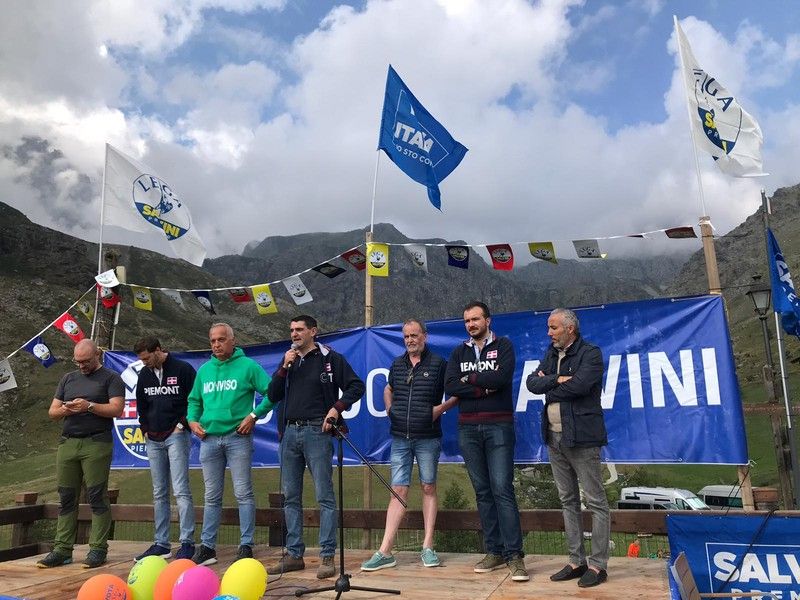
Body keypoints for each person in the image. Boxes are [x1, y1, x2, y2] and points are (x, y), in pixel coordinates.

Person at [266, 315, 365, 580]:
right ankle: (294, 554)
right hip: (289, 432)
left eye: (299, 329)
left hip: (317, 432)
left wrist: (336, 408)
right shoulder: (289, 360)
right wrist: (283, 368)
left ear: (313, 331)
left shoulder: (330, 359)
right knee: (290, 496)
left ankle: (327, 555)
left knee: (324, 496)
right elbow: (273, 394)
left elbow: (357, 386)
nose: (294, 334)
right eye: (291, 330)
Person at [361, 319, 458, 572]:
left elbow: (456, 392)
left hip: (428, 437)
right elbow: (388, 389)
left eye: (414, 335)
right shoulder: (397, 364)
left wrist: (437, 411)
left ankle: (428, 547)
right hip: (399, 438)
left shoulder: (439, 363)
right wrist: (389, 409)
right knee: (398, 490)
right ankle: (385, 551)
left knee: (428, 486)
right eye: (406, 336)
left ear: (425, 336)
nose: (410, 340)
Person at [444, 301, 528, 582]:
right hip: (467, 428)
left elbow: (501, 378)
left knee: (502, 488)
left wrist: (469, 380)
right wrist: (482, 387)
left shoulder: (504, 346)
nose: (471, 324)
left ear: (488, 321)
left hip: (499, 426)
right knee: (482, 491)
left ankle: (514, 556)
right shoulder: (458, 351)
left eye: (475, 319)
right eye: (467, 321)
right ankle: (494, 551)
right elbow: (451, 385)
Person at [526, 307, 610, 588]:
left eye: (554, 328)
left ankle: (598, 565)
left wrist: (549, 384)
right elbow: (532, 383)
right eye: (548, 328)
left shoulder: (590, 353)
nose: (549, 333)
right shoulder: (551, 353)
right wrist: (556, 379)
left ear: (570, 329)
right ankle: (576, 561)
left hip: (583, 438)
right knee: (568, 500)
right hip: (553, 437)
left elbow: (580, 387)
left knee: (596, 502)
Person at [187, 323, 274, 566]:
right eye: (213, 340)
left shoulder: (248, 366)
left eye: (221, 339)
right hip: (209, 439)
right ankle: (207, 547)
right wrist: (192, 421)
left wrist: (253, 416)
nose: (216, 344)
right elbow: (194, 401)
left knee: (243, 492)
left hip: (238, 438)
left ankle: (246, 545)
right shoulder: (204, 370)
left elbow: (272, 393)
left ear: (233, 340)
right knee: (211, 495)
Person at [36, 339, 124, 569]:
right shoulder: (68, 378)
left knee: (96, 495)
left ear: (97, 355)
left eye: (85, 361)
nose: (81, 365)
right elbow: (52, 412)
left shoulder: (111, 378)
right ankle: (62, 549)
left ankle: (98, 549)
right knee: (66, 496)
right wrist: (66, 409)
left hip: (97, 442)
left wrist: (89, 406)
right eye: (78, 361)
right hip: (68, 443)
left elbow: (117, 408)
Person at [133, 337, 197, 561]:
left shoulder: (182, 369)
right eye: (141, 360)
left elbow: (194, 399)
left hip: (176, 435)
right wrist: (144, 427)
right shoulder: (144, 374)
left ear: (158, 350)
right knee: (159, 492)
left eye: (147, 358)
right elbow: (141, 404)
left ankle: (187, 542)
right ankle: (161, 543)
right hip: (153, 437)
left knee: (181, 489)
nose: (144, 363)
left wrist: (182, 424)